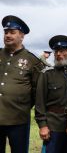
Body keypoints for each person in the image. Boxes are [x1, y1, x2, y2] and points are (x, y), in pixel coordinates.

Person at [0, 15, 44, 153]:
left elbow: (37, 92)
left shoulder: (33, 61)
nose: (7, 35)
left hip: (18, 120)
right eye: (6, 32)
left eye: (12, 32)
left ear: (22, 36)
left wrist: (21, 104)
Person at [35, 35, 67, 153]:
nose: (59, 54)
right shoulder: (46, 74)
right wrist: (43, 125)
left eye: (62, 50)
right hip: (53, 125)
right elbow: (39, 102)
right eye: (56, 51)